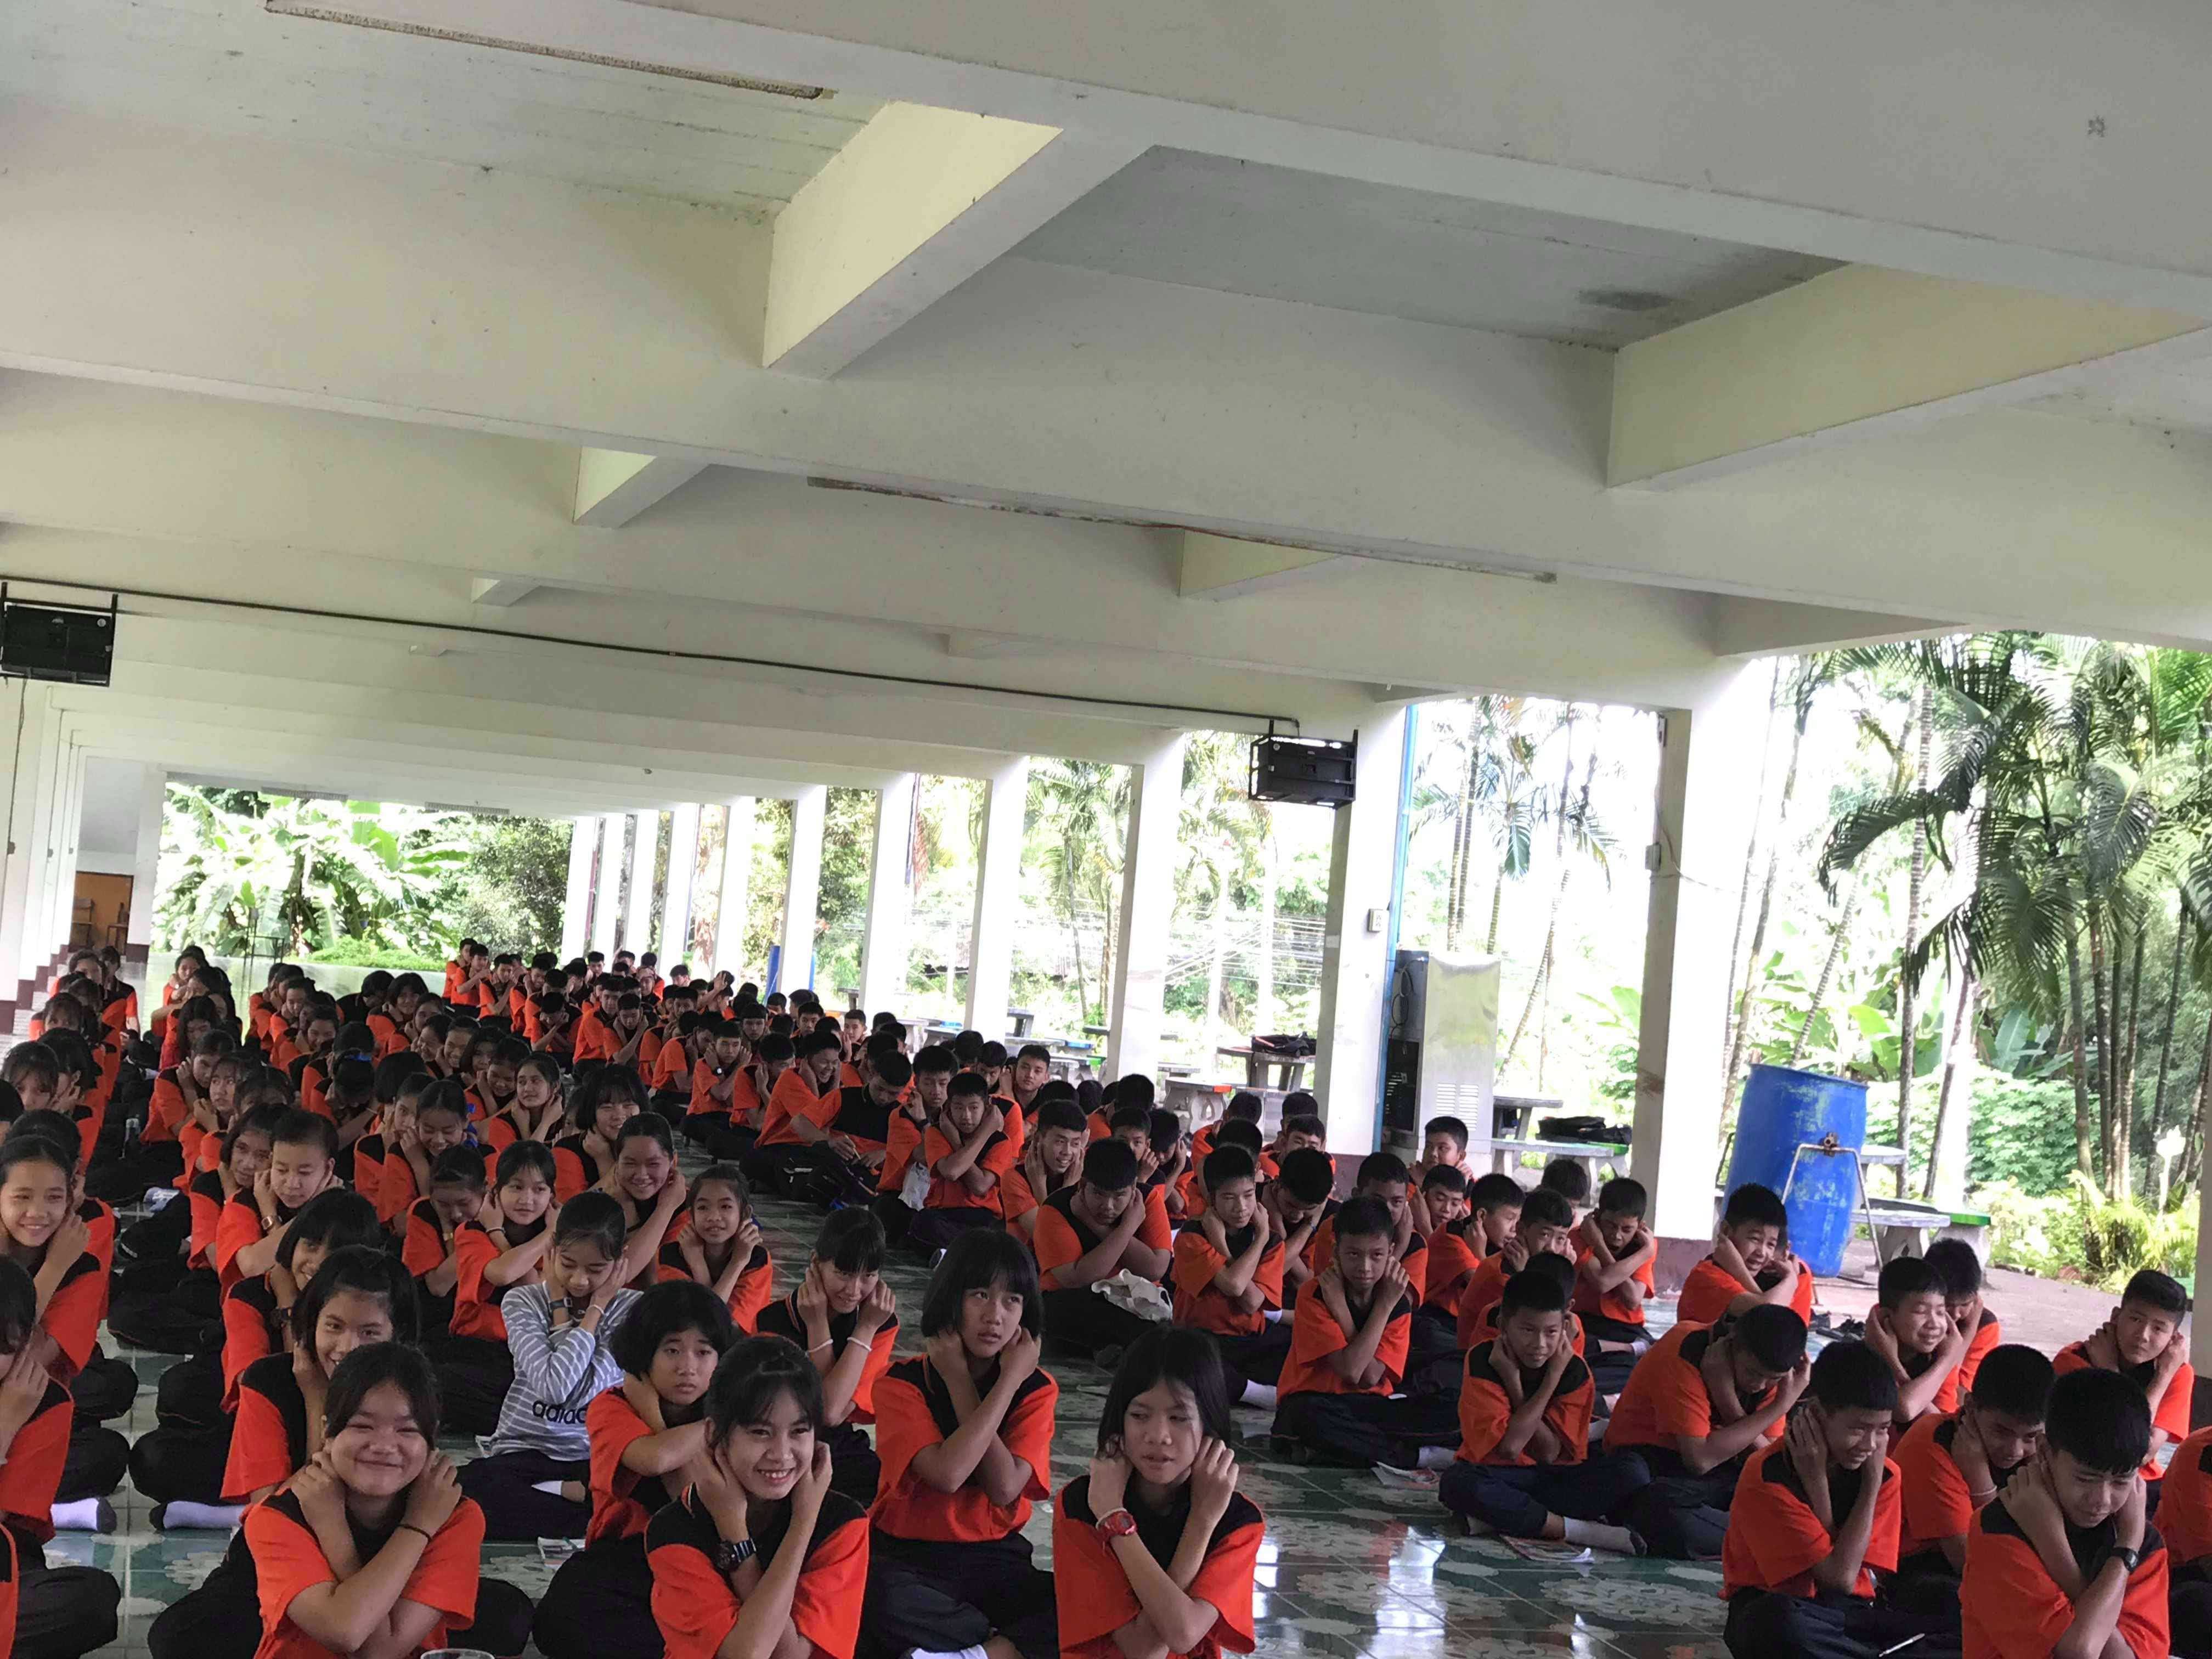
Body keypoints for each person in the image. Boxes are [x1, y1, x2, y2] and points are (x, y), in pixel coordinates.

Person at [241, 1342, 528, 1659]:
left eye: (407, 1430)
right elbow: (349, 1634)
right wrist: (411, 1527)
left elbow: (380, 1651)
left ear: (431, 1440)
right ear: (328, 1432)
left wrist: (419, 1522)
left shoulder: (456, 1518)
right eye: (362, 1426)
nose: (383, 1446)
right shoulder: (276, 1519)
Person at [864, 1229, 1059, 1659]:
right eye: (980, 1295)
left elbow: (1004, 1488)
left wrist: (1009, 1381)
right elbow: (948, 1474)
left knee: (1085, 1602)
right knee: (875, 1596)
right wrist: (956, 1378)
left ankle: (969, 1653)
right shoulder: (901, 1383)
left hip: (994, 1556)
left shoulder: (1034, 1389)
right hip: (910, 1556)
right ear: (952, 1299)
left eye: (1012, 1301)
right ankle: (996, 1643)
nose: (995, 1316)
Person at [531, 1279, 738, 1659]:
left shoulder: (729, 1417)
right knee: (560, 1618)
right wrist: (703, 1423)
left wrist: (722, 1419)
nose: (688, 1368)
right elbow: (656, 1461)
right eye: (672, 1350)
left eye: (704, 1352)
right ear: (645, 1354)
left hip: (704, 1556)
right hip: (629, 1554)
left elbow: (694, 1505)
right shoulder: (614, 1406)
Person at [1720, 1341, 1956, 1659]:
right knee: (1776, 1623)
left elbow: (1850, 1584)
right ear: (1818, 1413)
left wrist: (1852, 1482)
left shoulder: (1885, 1474)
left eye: (1883, 1430)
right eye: (1858, 1428)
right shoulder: (1769, 1474)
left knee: (1958, 1608)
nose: (1870, 1445)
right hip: (1777, 1608)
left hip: (1845, 1616)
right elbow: (1839, 1579)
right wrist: (1867, 1487)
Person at [645, 1334, 870, 1659]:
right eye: (760, 1432)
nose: (782, 1454)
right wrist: (736, 1530)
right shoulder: (675, 1530)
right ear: (714, 1434)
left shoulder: (842, 1523)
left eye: (799, 1431)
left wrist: (804, 1520)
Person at [1053, 1328, 1263, 1659]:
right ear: (1119, 1422)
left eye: (1179, 1418)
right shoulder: (1082, 1504)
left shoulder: (1238, 1519)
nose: (1158, 1435)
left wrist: (1202, 1520)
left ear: (1209, 1426)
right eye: (1140, 1415)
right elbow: (1144, 1651)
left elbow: (1183, 1634)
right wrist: (1110, 1513)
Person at [461, 1191, 642, 1539]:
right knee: (469, 1490)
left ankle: (564, 1498)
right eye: (569, 1264)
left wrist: (596, 1309)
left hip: (588, 1457)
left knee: (636, 1495)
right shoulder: (522, 1301)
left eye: (596, 1270)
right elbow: (555, 1388)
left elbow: (582, 1388)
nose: (579, 1280)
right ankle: (575, 1505)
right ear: (552, 1250)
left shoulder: (632, 1310)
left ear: (620, 1261)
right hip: (524, 1451)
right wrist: (567, 1310)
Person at [1442, 1259, 1650, 1554]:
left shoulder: (1573, 1370)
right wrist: (1514, 1379)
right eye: (1528, 1330)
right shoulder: (1484, 1360)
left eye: (1551, 1332)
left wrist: (1546, 1378)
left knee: (1633, 1471)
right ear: (1503, 1325)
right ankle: (1580, 1531)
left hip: (1554, 1478)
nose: (1540, 1344)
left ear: (1565, 1327)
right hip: (1500, 1473)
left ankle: (1508, 1518)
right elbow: (1510, 1449)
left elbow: (1549, 1453)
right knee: (1458, 1483)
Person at [1961, 1365, 2170, 1658]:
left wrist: (2127, 1544)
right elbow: (2080, 1653)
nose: (2102, 1500)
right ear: (2045, 1451)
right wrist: (2125, 1554)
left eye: (2121, 1481)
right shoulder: (1999, 1529)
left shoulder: (2144, 1543)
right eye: (2085, 1479)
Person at [1606, 1304, 1810, 1559]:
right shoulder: (1686, 1349)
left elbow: (1765, 1463)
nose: (1759, 1385)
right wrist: (1778, 1408)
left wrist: (1730, 1403)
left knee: (1780, 1496)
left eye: (1773, 1378)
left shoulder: (1782, 1379)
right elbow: (1699, 1460)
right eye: (1752, 1372)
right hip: (1654, 1462)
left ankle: (1767, 1537)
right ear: (1732, 1343)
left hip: (1707, 1476)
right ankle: (1775, 1540)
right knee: (1651, 1501)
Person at [1272, 1195, 1460, 1472]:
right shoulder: (1316, 1293)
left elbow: (1370, 1378)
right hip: (1316, 1400)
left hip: (1372, 1404)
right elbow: (1352, 1372)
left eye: (1377, 1255)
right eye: (1353, 1254)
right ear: (1336, 1252)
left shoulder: (1396, 1301)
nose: (1365, 1267)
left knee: (1458, 1407)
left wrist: (1379, 1305)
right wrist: (1371, 1306)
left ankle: (1347, 1449)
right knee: (1305, 1418)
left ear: (1391, 1251)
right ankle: (1416, 1457)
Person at [0, 1256, 120, 1659]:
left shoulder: (44, 1403)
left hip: (7, 1559)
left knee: (90, 1601)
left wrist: (6, 1424)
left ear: (24, 1345)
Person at [756, 1207, 900, 1505]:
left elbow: (835, 1415)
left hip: (837, 1443)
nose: (854, 1290)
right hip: (780, 1438)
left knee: (878, 1484)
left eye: (869, 1276)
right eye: (844, 1273)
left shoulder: (878, 1322)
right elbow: (827, 1411)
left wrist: (866, 1328)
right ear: (816, 1263)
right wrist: (817, 1324)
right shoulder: (774, 1320)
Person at [1894, 1343, 2052, 1583]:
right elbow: (1971, 1564)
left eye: (2030, 1436)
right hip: (1922, 1571)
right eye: (2002, 1431)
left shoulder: (2043, 1450)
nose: (2015, 1450)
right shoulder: (1932, 1444)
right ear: (1970, 1406)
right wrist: (1981, 1485)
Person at [431, 1139, 557, 1436]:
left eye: (539, 1190)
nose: (527, 1199)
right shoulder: (472, 1232)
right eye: (516, 1187)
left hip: (529, 1355)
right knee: (433, 1379)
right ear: (496, 1191)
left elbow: (536, 1290)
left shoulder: (562, 1241)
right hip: (477, 1350)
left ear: (552, 1197)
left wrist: (552, 1232)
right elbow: (503, 1274)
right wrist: (496, 1231)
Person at [2052, 1268, 2193, 1496]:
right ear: (2116, 1317)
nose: (2143, 1335)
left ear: (2174, 1337)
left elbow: (2143, 1454)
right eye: (2136, 1319)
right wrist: (2109, 1375)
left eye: (2159, 1328)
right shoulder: (2074, 1361)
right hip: (2081, 1481)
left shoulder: (2176, 1374)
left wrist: (2161, 1376)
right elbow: (2116, 1449)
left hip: (2142, 1482)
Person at [1169, 1147, 1289, 1413]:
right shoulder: (1192, 1235)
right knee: (1181, 1358)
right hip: (1201, 1338)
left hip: (1249, 1340)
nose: (1241, 1207)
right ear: (1211, 1199)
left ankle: (1230, 1388)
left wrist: (1260, 1237)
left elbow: (1252, 1302)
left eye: (1248, 1195)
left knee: (1298, 1346)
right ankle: (1255, 1393)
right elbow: (1234, 1286)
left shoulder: (1271, 1242)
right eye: (1229, 1198)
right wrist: (1242, 1239)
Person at [1032, 1138, 1173, 1359]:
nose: (1108, 1206)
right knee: (1056, 1310)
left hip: (1134, 1300)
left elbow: (1155, 1270)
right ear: (1082, 1185)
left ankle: (1113, 1349)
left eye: (1119, 1196)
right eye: (1098, 1194)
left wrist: (1102, 1227)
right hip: (1076, 1299)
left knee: (1157, 1321)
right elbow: (1076, 1279)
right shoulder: (1055, 1209)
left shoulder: (1148, 1200)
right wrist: (1127, 1228)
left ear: (1133, 1188)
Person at [906, 1069, 1018, 1253]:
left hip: (982, 1216)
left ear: (987, 1107)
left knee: (994, 1236)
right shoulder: (937, 1132)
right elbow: (950, 1172)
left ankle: (952, 1253)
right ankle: (963, 1253)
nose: (966, 1116)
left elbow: (980, 1187)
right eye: (958, 1108)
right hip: (943, 1214)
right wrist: (960, 1139)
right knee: (922, 1222)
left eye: (973, 1108)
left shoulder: (1000, 1141)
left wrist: (979, 1135)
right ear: (948, 1107)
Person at [1457, 1186, 1576, 1350]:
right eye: (1545, 1235)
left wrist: (1564, 1270)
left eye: (1560, 1239)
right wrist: (1525, 1274)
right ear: (1521, 1229)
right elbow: (1538, 1318)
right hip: (1484, 1355)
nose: (1552, 1247)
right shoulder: (1500, 1274)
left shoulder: (1541, 1265)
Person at [1677, 1183, 1813, 1326]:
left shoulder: (1790, 1273)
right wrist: (1791, 1280)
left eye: (1770, 1244)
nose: (1762, 1252)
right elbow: (1768, 1316)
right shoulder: (1707, 1276)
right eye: (1755, 1239)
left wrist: (1739, 1271)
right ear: (1726, 1231)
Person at [657, 1162, 773, 1330]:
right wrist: (697, 1263)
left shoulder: (756, 1258)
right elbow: (686, 1325)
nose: (713, 1217)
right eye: (703, 1207)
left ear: (745, 1213)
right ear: (691, 1214)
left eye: (726, 1207)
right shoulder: (671, 1255)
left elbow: (731, 1328)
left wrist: (738, 1262)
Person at [1571, 1176, 1656, 1395]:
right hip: (1585, 1322)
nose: (1617, 1236)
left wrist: (1644, 1252)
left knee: (1652, 1367)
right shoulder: (1578, 1238)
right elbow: (1602, 1282)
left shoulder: (1643, 1247)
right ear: (1597, 1216)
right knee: (1571, 1348)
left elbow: (1633, 1299)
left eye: (1627, 1229)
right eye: (1610, 1225)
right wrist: (1598, 1244)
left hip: (1626, 1330)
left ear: (1640, 1227)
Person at [1866, 1254, 1971, 1425]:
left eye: (1940, 1312)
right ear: (1886, 1315)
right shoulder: (1866, 1360)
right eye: (1921, 1312)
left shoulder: (1938, 1357)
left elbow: (1942, 1427)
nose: (1934, 1324)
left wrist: (1945, 1360)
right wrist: (1948, 1359)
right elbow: (1905, 1409)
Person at [597, 1114, 692, 1288]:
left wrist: (667, 1207)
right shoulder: (602, 1202)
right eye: (630, 1163)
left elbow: (655, 1284)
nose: (642, 1175)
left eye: (653, 1164)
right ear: (617, 1162)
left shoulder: (691, 1208)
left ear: (673, 1161)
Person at [1000, 1092, 1087, 1243]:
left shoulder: (1086, 1175)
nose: (1067, 1152)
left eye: (1075, 1143)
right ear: (1039, 1138)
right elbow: (1049, 1240)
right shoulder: (1014, 1177)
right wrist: (1049, 1188)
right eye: (1060, 1142)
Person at [1923, 1238, 2004, 1401]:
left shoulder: (1985, 1326)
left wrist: (1969, 1331)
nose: (1956, 1314)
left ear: (1976, 1298)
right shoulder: (1917, 1318)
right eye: (1947, 1305)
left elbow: (1959, 1395)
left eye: (1965, 1304)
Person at [1406, 1114, 1469, 1235]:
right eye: (1428, 1146)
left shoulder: (1471, 1188)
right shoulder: (1406, 1183)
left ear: (1461, 1156)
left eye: (1443, 1148)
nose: (1433, 1153)